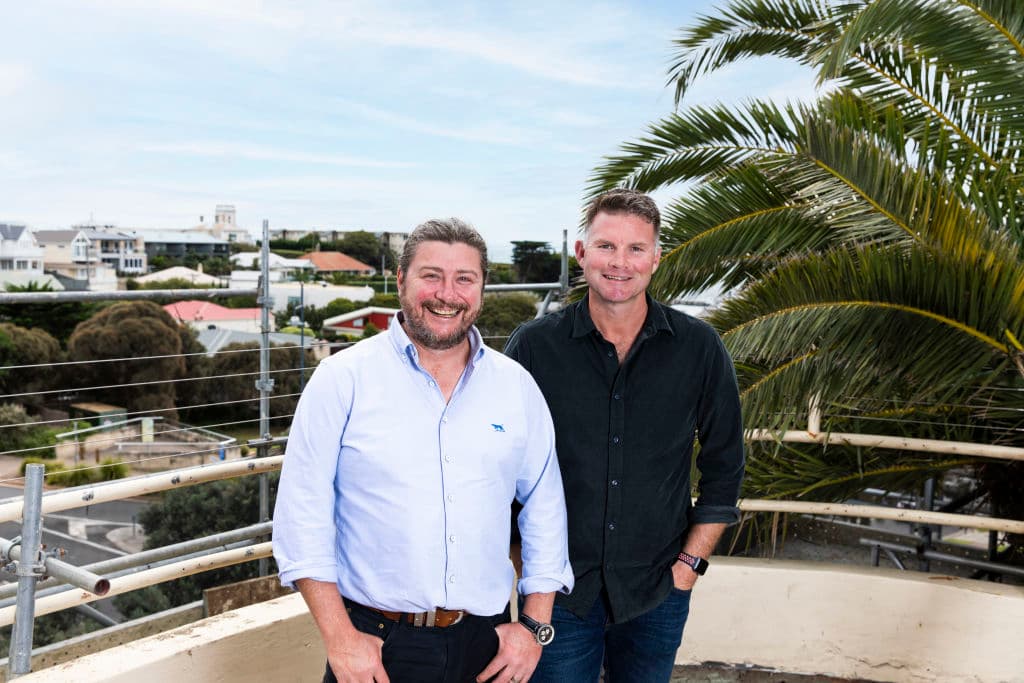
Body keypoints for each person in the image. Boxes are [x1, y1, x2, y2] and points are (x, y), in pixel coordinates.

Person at [273, 218, 573, 683]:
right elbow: (301, 516)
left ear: (482, 288)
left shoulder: (517, 387)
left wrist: (534, 627)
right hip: (375, 644)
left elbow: (545, 507)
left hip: (487, 645)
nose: (446, 294)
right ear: (400, 280)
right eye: (431, 275)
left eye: (464, 279)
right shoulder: (342, 380)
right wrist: (339, 638)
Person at [504, 189, 745, 682]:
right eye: (606, 246)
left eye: (636, 249)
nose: (620, 262)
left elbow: (726, 465)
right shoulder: (534, 346)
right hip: (558, 595)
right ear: (582, 253)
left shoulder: (699, 348)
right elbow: (499, 463)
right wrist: (524, 565)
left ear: (656, 258)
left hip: (657, 592)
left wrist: (688, 568)